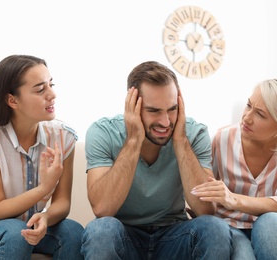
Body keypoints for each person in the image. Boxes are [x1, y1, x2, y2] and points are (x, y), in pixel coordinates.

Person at [80, 61, 232, 259]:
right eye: (154, 111)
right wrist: (134, 140)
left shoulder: (194, 134)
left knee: (215, 228)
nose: (165, 121)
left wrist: (180, 141)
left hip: (174, 235)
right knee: (100, 230)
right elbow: (102, 208)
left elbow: (205, 210)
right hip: (124, 236)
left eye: (172, 109)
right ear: (133, 105)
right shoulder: (103, 132)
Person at [0, 55, 83, 259]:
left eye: (51, 85)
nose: (52, 94)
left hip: (29, 226)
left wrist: (45, 217)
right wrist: (44, 188)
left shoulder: (63, 136)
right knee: (16, 234)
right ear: (12, 100)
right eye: (40, 89)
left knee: (74, 233)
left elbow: (62, 202)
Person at [191, 78, 277, 259]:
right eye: (248, 105)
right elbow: (206, 192)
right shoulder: (222, 139)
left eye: (260, 114)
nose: (246, 117)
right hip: (233, 227)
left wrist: (233, 199)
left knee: (269, 222)